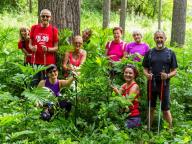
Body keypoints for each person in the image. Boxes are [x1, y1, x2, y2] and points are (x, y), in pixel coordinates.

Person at [142, 30, 178, 128]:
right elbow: (144, 69)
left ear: (165, 39)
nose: (159, 39)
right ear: (154, 39)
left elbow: (174, 71)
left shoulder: (170, 53)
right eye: (157, 37)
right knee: (151, 107)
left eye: (161, 37)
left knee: (165, 109)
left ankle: (170, 130)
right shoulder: (149, 53)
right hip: (151, 83)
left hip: (164, 84)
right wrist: (147, 75)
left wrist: (167, 75)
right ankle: (148, 129)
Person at [29, 9, 59, 86]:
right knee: (35, 82)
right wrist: (32, 48)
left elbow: (56, 48)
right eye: (43, 16)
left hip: (48, 62)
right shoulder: (34, 28)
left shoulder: (54, 30)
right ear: (40, 17)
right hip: (35, 61)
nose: (45, 18)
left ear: (50, 17)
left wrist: (48, 49)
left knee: (48, 84)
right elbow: (30, 44)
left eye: (47, 16)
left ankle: (49, 98)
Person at [112, 64, 141, 128]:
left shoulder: (134, 87)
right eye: (126, 72)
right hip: (124, 116)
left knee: (117, 129)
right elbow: (117, 99)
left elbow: (127, 103)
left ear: (134, 75)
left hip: (133, 118)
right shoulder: (124, 85)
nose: (127, 74)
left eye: (130, 73)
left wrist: (117, 93)